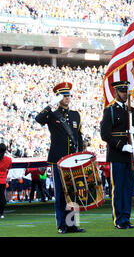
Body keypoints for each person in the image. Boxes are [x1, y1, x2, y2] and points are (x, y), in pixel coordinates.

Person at [35, 82, 85, 234]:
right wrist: (50, 105)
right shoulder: (52, 114)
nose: (67, 97)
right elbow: (39, 119)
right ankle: (61, 225)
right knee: (60, 194)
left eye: (68, 95)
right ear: (58, 97)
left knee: (73, 193)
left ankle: (72, 224)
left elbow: (79, 137)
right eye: (64, 95)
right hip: (58, 159)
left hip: (73, 160)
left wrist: (81, 153)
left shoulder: (76, 114)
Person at [100, 80, 134, 229]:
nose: (125, 94)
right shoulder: (109, 110)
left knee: (128, 188)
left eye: (126, 91)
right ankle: (119, 219)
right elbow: (105, 134)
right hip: (117, 154)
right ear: (116, 93)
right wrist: (121, 146)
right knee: (118, 188)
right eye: (122, 91)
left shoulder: (132, 111)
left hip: (130, 156)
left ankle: (126, 218)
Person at [0, 143, 12, 218]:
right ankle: (1, 213)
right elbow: (9, 167)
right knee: (2, 197)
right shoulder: (8, 159)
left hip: (2, 180)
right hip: (2, 181)